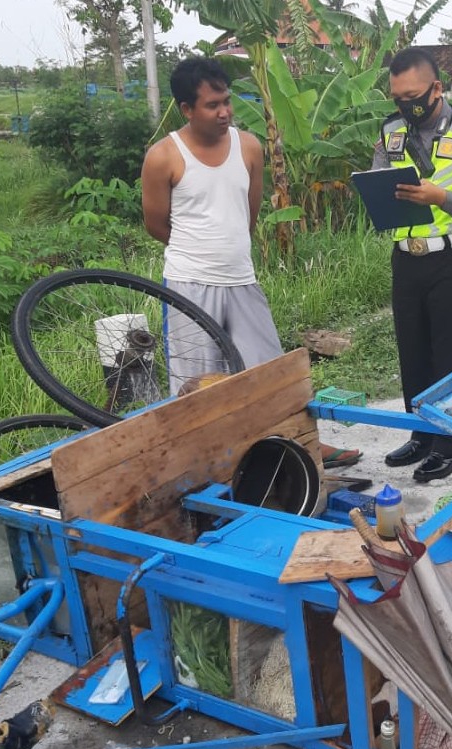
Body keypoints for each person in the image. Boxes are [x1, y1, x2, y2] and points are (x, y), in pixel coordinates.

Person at [141, 56, 360, 470]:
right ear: (187, 109)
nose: (224, 111)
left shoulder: (249, 147)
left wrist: (227, 249)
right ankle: (203, 468)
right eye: (212, 105)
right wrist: (201, 249)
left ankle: (300, 446)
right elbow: (156, 224)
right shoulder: (163, 156)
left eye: (226, 101)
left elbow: (250, 212)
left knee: (270, 375)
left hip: (242, 280)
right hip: (189, 285)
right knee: (196, 385)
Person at [371, 47, 452, 482]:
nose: (404, 105)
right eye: (396, 97)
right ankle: (421, 434)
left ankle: (450, 445)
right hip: (407, 258)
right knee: (413, 353)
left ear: (437, 88)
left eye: (412, 95)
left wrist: (441, 198)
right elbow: (377, 183)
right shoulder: (391, 130)